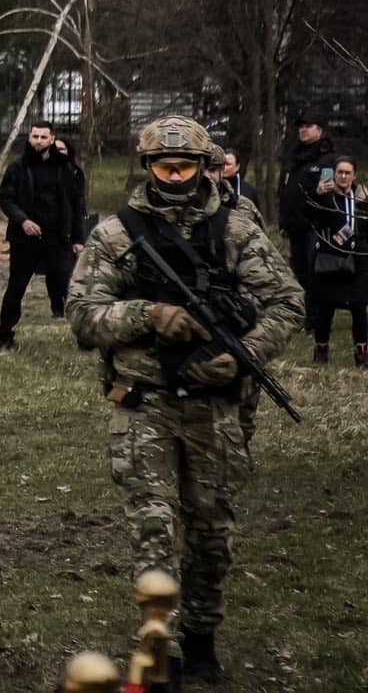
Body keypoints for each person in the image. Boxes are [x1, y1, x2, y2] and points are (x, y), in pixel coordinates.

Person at [67, 116, 302, 684]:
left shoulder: (236, 230)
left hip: (215, 405)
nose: (175, 177)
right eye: (164, 167)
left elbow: (288, 303)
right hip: (144, 401)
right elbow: (81, 314)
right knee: (154, 524)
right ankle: (159, 643)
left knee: (212, 529)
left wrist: (243, 353)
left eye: (186, 166)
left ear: (205, 166)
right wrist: (146, 315)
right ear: (147, 168)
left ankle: (202, 633)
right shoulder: (117, 234)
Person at [0, 121, 86, 350]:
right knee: (17, 287)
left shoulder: (65, 168)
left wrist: (78, 239)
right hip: (24, 239)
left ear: (52, 139)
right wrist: (22, 220)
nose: (38, 141)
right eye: (35, 136)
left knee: (69, 286)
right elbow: (6, 198)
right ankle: (5, 335)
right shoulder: (18, 167)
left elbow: (76, 205)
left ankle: (84, 335)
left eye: (43, 137)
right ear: (29, 138)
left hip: (58, 238)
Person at [304, 156, 367, 366]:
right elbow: (308, 217)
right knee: (325, 307)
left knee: (359, 308)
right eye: (339, 172)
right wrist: (317, 194)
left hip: (356, 261)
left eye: (347, 172)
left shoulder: (361, 197)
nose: (343, 176)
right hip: (330, 260)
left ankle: (362, 353)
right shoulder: (325, 197)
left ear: (354, 175)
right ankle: (321, 350)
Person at [278, 113, 336, 329]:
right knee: (299, 273)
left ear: (320, 130)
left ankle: (315, 320)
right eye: (300, 126)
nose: (302, 130)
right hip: (294, 226)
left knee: (314, 275)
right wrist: (283, 220)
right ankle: (302, 317)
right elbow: (283, 190)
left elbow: (328, 191)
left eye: (308, 126)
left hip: (316, 226)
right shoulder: (293, 157)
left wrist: (319, 191)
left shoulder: (327, 159)